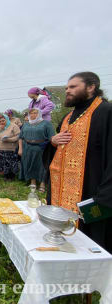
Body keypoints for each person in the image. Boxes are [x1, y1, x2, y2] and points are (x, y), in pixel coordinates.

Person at [48, 72, 112, 253]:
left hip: (92, 188)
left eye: (73, 87)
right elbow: (55, 147)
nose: (68, 91)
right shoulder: (68, 117)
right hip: (63, 190)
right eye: (67, 87)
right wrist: (53, 141)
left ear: (91, 87)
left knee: (93, 242)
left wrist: (105, 195)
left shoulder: (106, 112)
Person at [18, 108, 54, 192]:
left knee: (42, 166)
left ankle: (42, 183)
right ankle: (33, 182)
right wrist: (20, 149)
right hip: (28, 148)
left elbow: (52, 137)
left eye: (35, 113)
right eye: (31, 113)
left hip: (41, 148)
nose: (33, 115)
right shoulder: (26, 124)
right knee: (30, 164)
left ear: (39, 114)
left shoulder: (46, 124)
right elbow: (20, 137)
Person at [0, 114, 20, 181]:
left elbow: (18, 136)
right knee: (3, 163)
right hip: (1, 149)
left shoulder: (13, 126)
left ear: (7, 119)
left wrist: (8, 139)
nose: (2, 122)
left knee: (11, 162)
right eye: (0, 121)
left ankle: (11, 176)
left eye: (3, 120)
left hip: (10, 148)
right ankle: (5, 175)